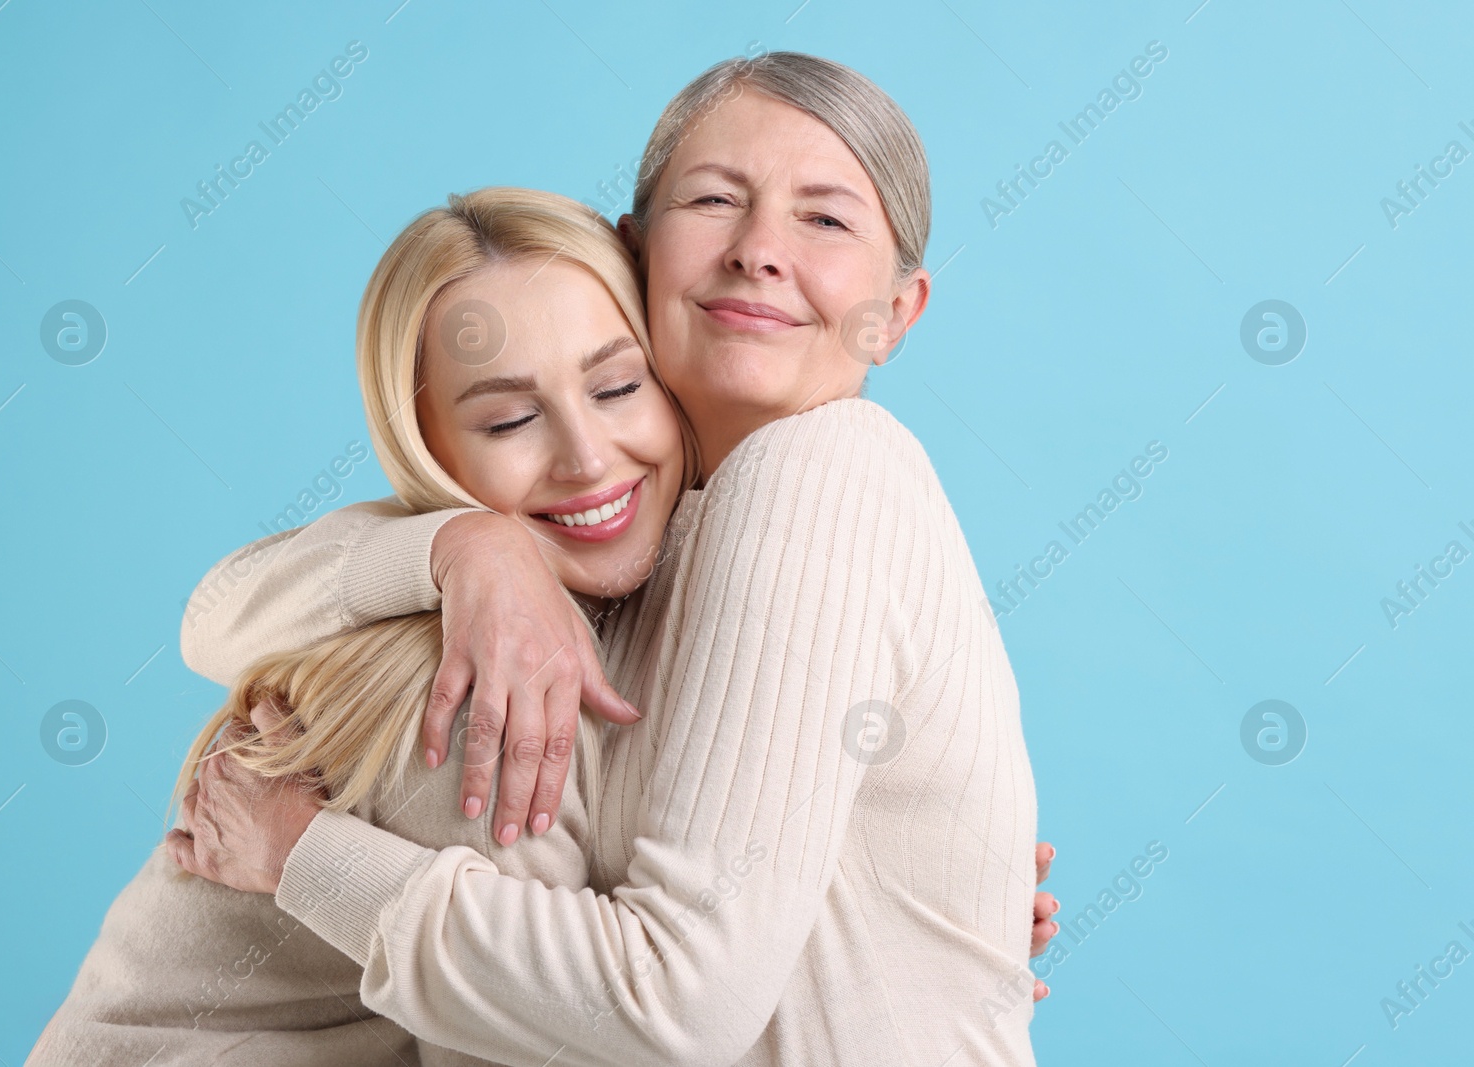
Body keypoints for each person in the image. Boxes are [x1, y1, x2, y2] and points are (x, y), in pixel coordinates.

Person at [172, 53, 1053, 1065]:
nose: (759, 250)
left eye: (825, 217)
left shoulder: (819, 467)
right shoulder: (627, 541)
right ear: (636, 255)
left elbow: (671, 1003)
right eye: (716, 199)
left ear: (897, 312)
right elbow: (219, 609)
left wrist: (300, 854)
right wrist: (468, 545)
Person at [27, 187, 691, 1066]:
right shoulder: (483, 692)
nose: (588, 455)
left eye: (616, 385)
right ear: (429, 452)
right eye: (510, 419)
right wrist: (469, 543)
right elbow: (543, 1040)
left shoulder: (632, 578)